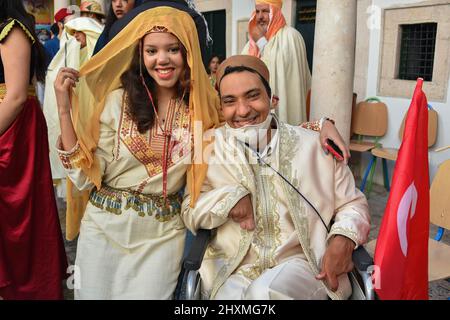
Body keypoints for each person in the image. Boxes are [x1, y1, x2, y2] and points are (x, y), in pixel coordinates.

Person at [53, 3, 222, 299]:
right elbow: (83, 177)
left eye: (173, 49)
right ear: (140, 56)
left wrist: (318, 126)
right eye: (152, 51)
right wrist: (64, 110)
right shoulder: (117, 102)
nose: (162, 60)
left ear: (188, 53)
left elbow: (241, 139)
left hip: (162, 238)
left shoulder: (201, 112)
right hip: (103, 232)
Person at [180, 55, 370, 300]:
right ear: (221, 108)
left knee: (265, 293)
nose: (243, 110)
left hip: (304, 265)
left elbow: (353, 203)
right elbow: (190, 209)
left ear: (272, 100)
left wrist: (344, 236)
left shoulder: (317, 146)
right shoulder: (208, 148)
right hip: (233, 268)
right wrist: (230, 198)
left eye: (253, 96)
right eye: (230, 101)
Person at [0, 0, 67, 300]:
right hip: (10, 126)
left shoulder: (12, 31)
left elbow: (14, 96)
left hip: (12, 132)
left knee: (18, 217)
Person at [43, 16, 102, 200]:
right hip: (73, 133)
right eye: (73, 34)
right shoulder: (64, 62)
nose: (76, 38)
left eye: (80, 34)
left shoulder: (102, 66)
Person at [242, 0, 311, 126]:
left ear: (276, 12)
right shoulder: (250, 45)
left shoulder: (291, 37)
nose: (260, 16)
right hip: (256, 114)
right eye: (257, 11)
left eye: (265, 11)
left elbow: (272, 67)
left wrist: (261, 42)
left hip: (284, 108)